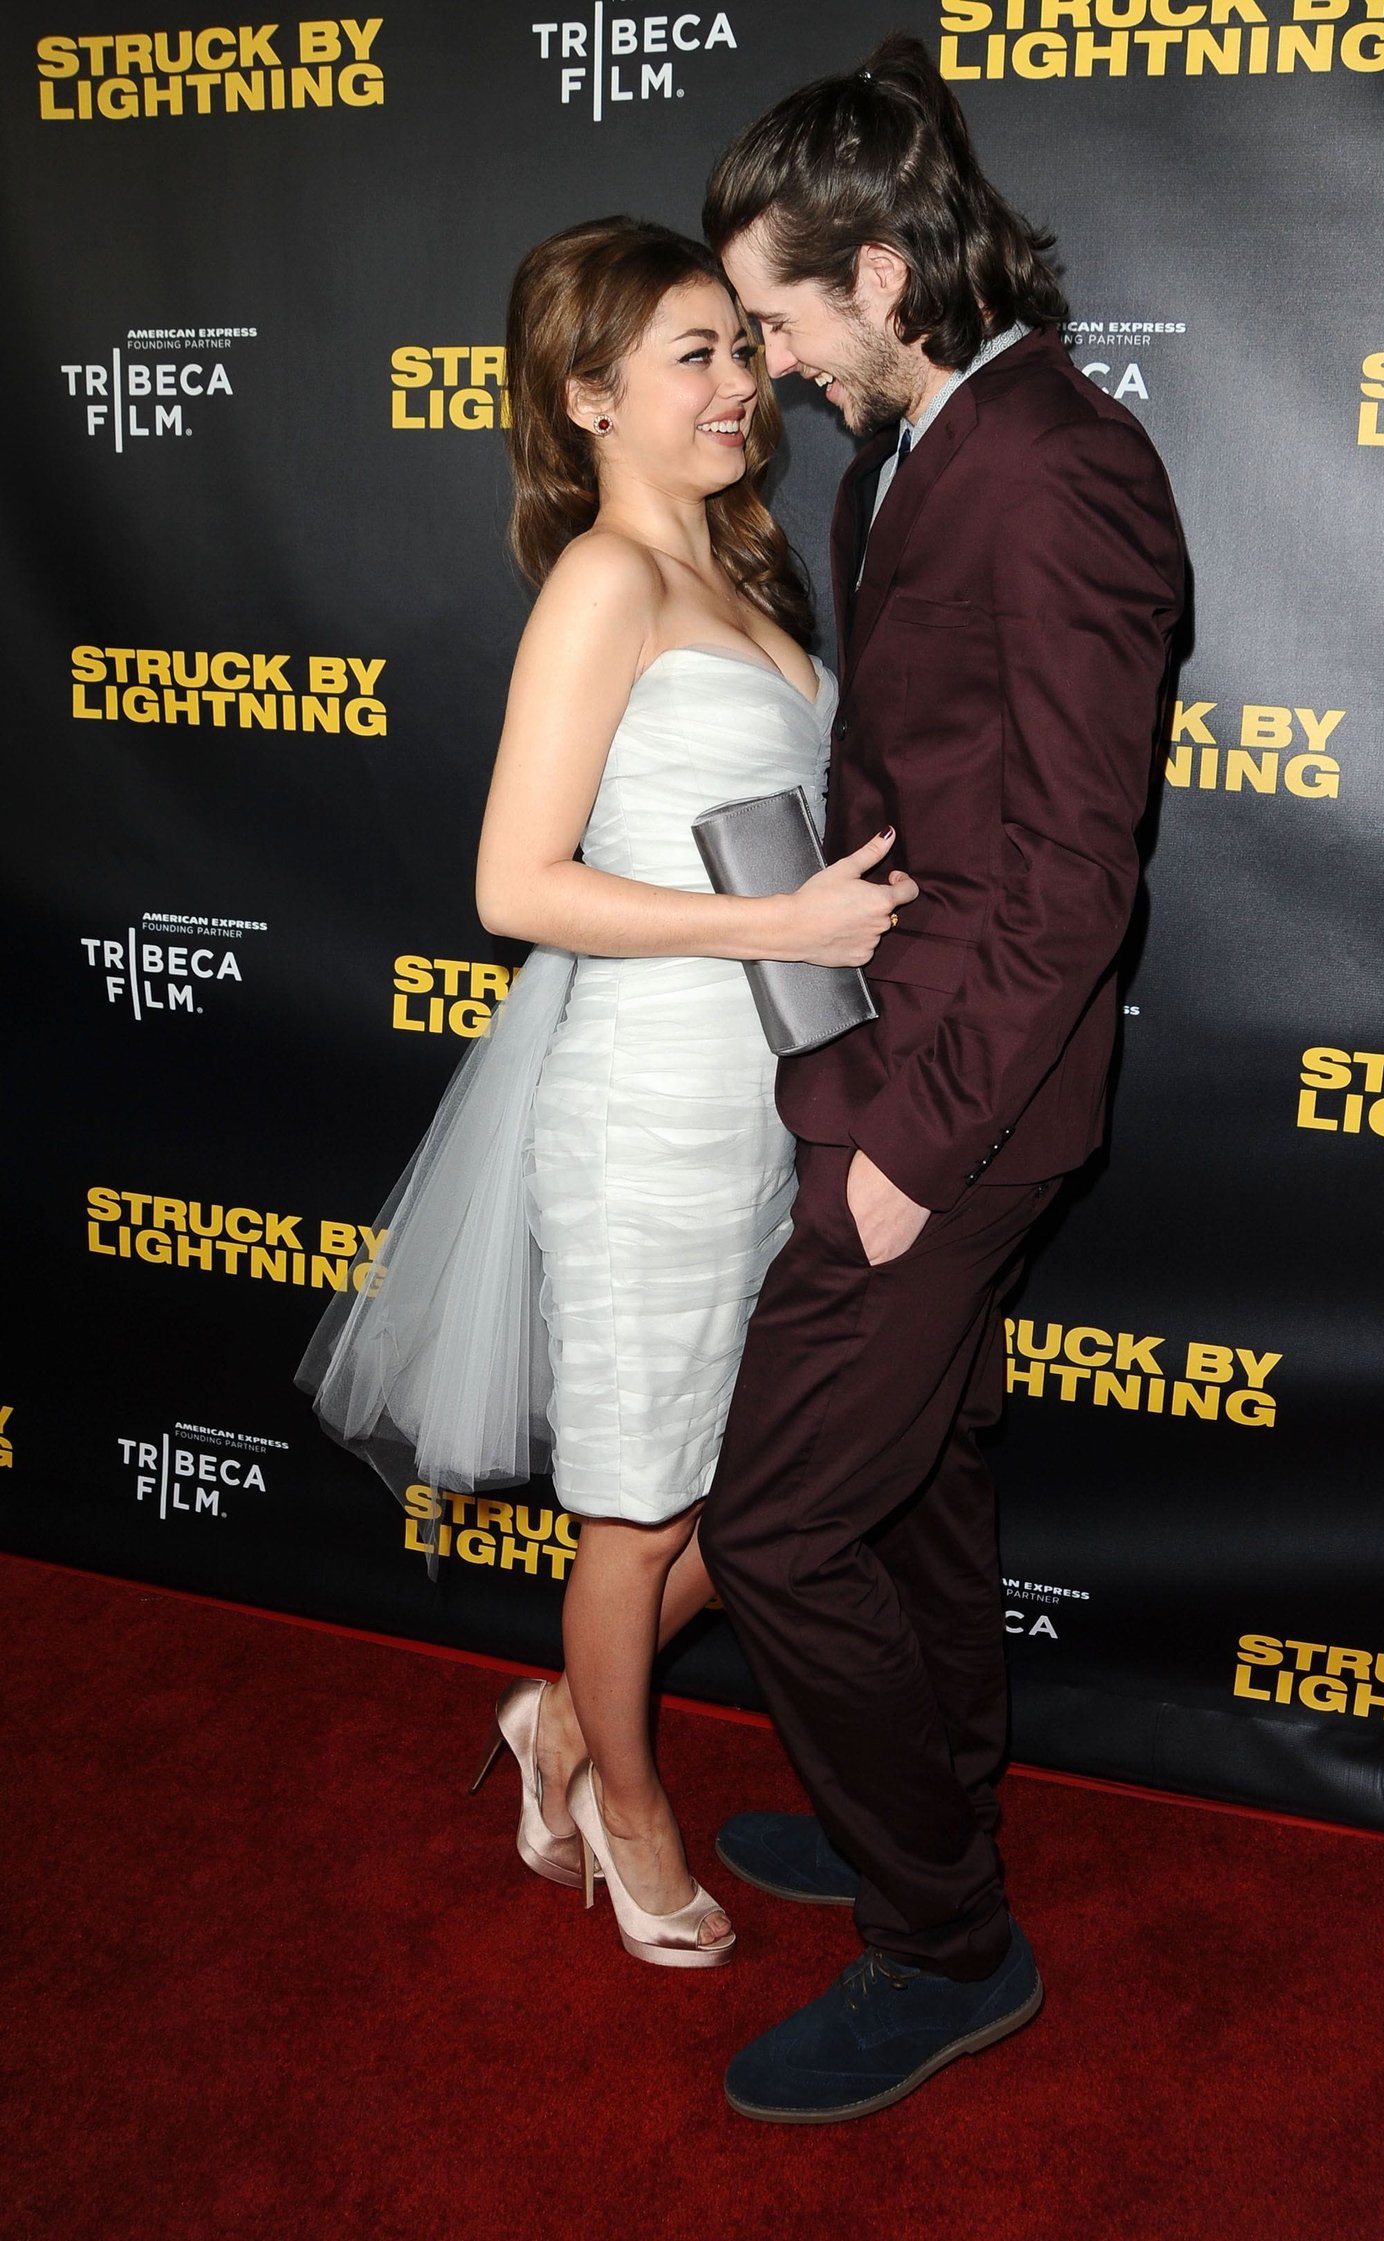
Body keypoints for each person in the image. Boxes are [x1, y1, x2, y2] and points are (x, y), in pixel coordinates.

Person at [297, 217, 914, 1969]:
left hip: (773, 1108)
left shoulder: (746, 572)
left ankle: (562, 1714)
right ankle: (624, 1803)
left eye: (742, 346)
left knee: (759, 1479)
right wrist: (776, 922)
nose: (741, 385)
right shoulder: (603, 583)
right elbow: (515, 884)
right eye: (693, 356)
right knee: (640, 1509)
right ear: (588, 399)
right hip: (647, 1117)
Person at [697, 36, 1187, 2114]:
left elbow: (1074, 874)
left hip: (960, 1102)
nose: (772, 362)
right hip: (896, 1054)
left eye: (782, 318)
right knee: (919, 1478)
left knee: (778, 1517)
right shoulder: (896, 456)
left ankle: (944, 1938)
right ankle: (920, 1802)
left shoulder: (1061, 466)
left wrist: (907, 1142)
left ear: (883, 276)